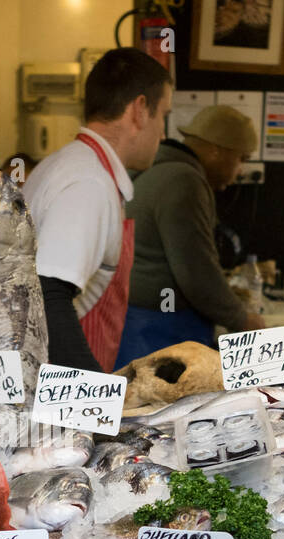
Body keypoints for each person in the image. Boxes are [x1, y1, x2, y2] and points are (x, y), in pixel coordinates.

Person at [23, 48, 173, 371]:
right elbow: (47, 295)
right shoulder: (87, 182)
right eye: (164, 116)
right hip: (53, 403)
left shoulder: (68, 165)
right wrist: (93, 407)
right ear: (140, 110)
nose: (163, 133)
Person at [117, 104, 262, 367]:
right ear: (216, 150)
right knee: (166, 406)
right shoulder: (184, 181)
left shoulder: (155, 170)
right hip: (162, 329)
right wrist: (242, 319)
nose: (241, 170)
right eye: (242, 158)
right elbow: (196, 273)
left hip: (136, 322)